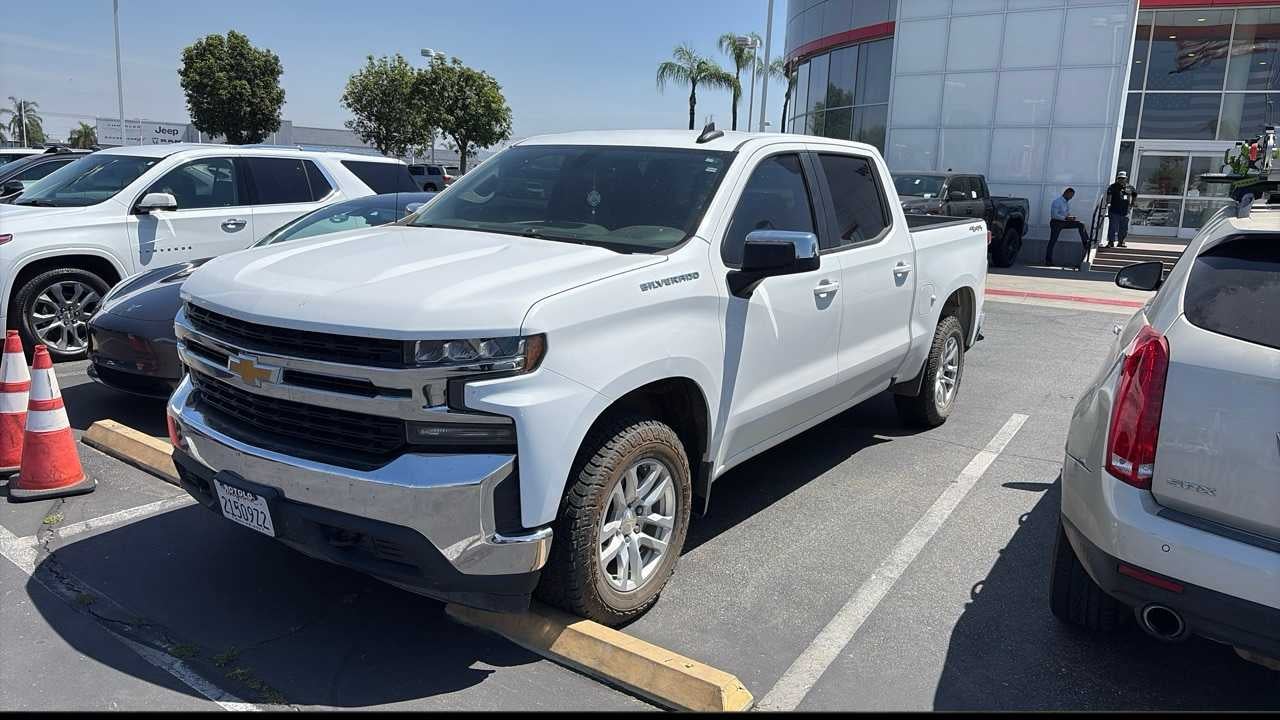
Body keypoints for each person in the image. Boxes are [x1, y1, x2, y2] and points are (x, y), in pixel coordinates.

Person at [1046, 187, 1091, 270]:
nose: (1071, 197)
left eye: (1072, 196)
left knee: (1081, 224)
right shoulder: (1057, 201)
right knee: (1052, 241)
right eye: (1071, 195)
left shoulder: (1066, 203)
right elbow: (1054, 215)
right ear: (1066, 193)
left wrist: (1070, 217)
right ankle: (1048, 260)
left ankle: (1086, 242)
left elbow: (1066, 214)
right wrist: (1066, 218)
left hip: (1063, 221)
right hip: (1056, 222)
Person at [1103, 171, 1138, 248]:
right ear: (1117, 178)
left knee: (1124, 228)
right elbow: (1109, 196)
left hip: (1125, 211)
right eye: (1120, 178)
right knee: (1112, 227)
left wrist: (1132, 204)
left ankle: (1121, 242)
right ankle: (1111, 242)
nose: (1121, 179)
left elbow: (1135, 194)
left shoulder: (1129, 187)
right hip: (1114, 210)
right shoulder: (1112, 187)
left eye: (1123, 178)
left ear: (1126, 178)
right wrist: (1108, 204)